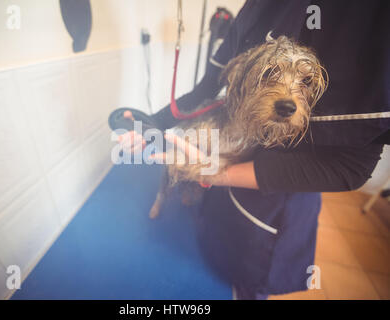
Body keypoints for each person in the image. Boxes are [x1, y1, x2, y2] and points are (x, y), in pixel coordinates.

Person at [118, 0, 389, 299]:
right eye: (268, 75)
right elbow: (205, 89)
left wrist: (221, 173)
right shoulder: (255, 10)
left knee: (250, 280)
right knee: (212, 243)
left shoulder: (371, 19)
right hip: (221, 201)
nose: (287, 96)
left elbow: (353, 167)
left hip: (282, 196)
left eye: (306, 82)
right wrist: (154, 122)